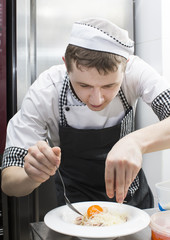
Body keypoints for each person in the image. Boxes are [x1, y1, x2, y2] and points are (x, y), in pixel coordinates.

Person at [1, 18, 170, 209]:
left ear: (126, 67)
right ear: (66, 65)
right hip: (74, 209)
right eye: (84, 85)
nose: (96, 99)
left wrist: (136, 142)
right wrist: (31, 176)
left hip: (131, 202)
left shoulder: (135, 72)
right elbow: (9, 181)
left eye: (109, 85)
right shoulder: (46, 90)